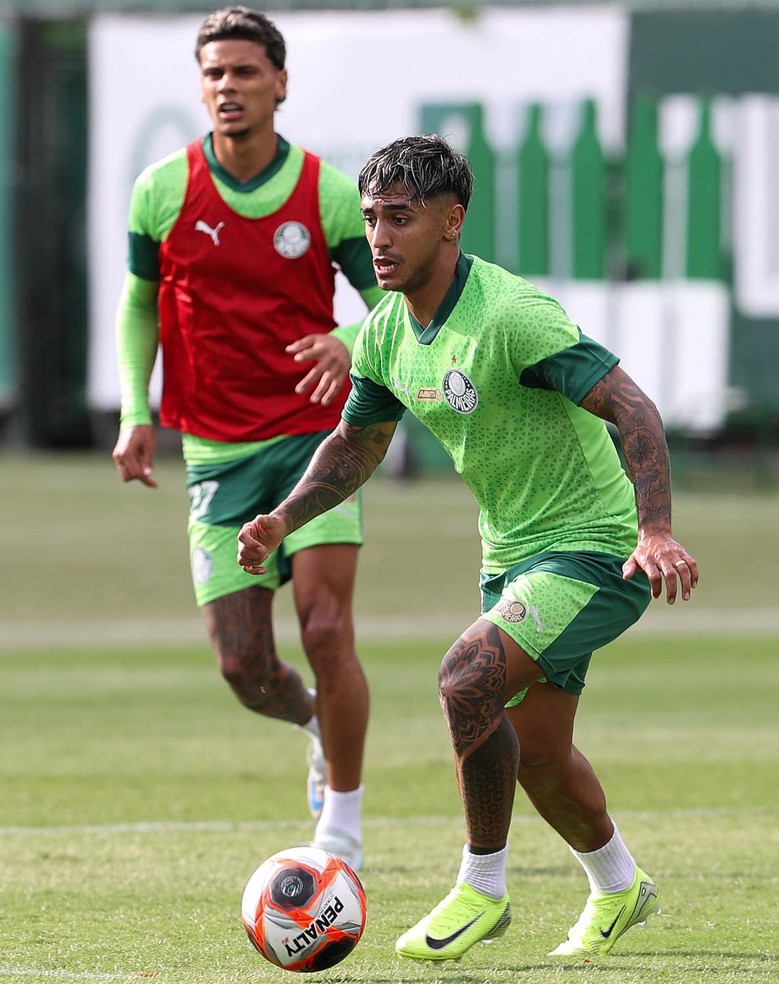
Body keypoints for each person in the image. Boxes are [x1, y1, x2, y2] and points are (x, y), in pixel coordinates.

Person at [236, 133, 699, 961]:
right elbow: (356, 446)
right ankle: (621, 887)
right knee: (540, 755)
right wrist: (284, 517)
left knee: (465, 677)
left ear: (451, 222)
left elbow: (634, 409)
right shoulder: (383, 334)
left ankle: (482, 887)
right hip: (510, 557)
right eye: (372, 218)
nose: (379, 237)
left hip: (597, 549)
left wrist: (655, 528)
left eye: (400, 219)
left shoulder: (512, 316)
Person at [111, 7, 385, 871]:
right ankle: (310, 719)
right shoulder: (163, 189)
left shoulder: (328, 195)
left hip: (314, 439)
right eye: (214, 74)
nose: (227, 88)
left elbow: (398, 305)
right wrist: (134, 409)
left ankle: (341, 823)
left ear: (280, 83)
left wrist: (351, 343)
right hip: (219, 453)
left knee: (328, 629)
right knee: (242, 667)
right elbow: (135, 306)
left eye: (244, 72)